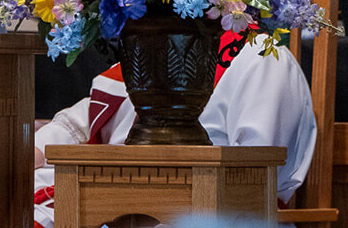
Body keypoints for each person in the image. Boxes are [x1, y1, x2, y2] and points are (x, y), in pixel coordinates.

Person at [32, 35, 317, 228]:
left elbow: (258, 176)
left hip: (212, 216)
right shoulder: (151, 51)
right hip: (118, 210)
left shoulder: (262, 56)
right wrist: (36, 148)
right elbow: (83, 119)